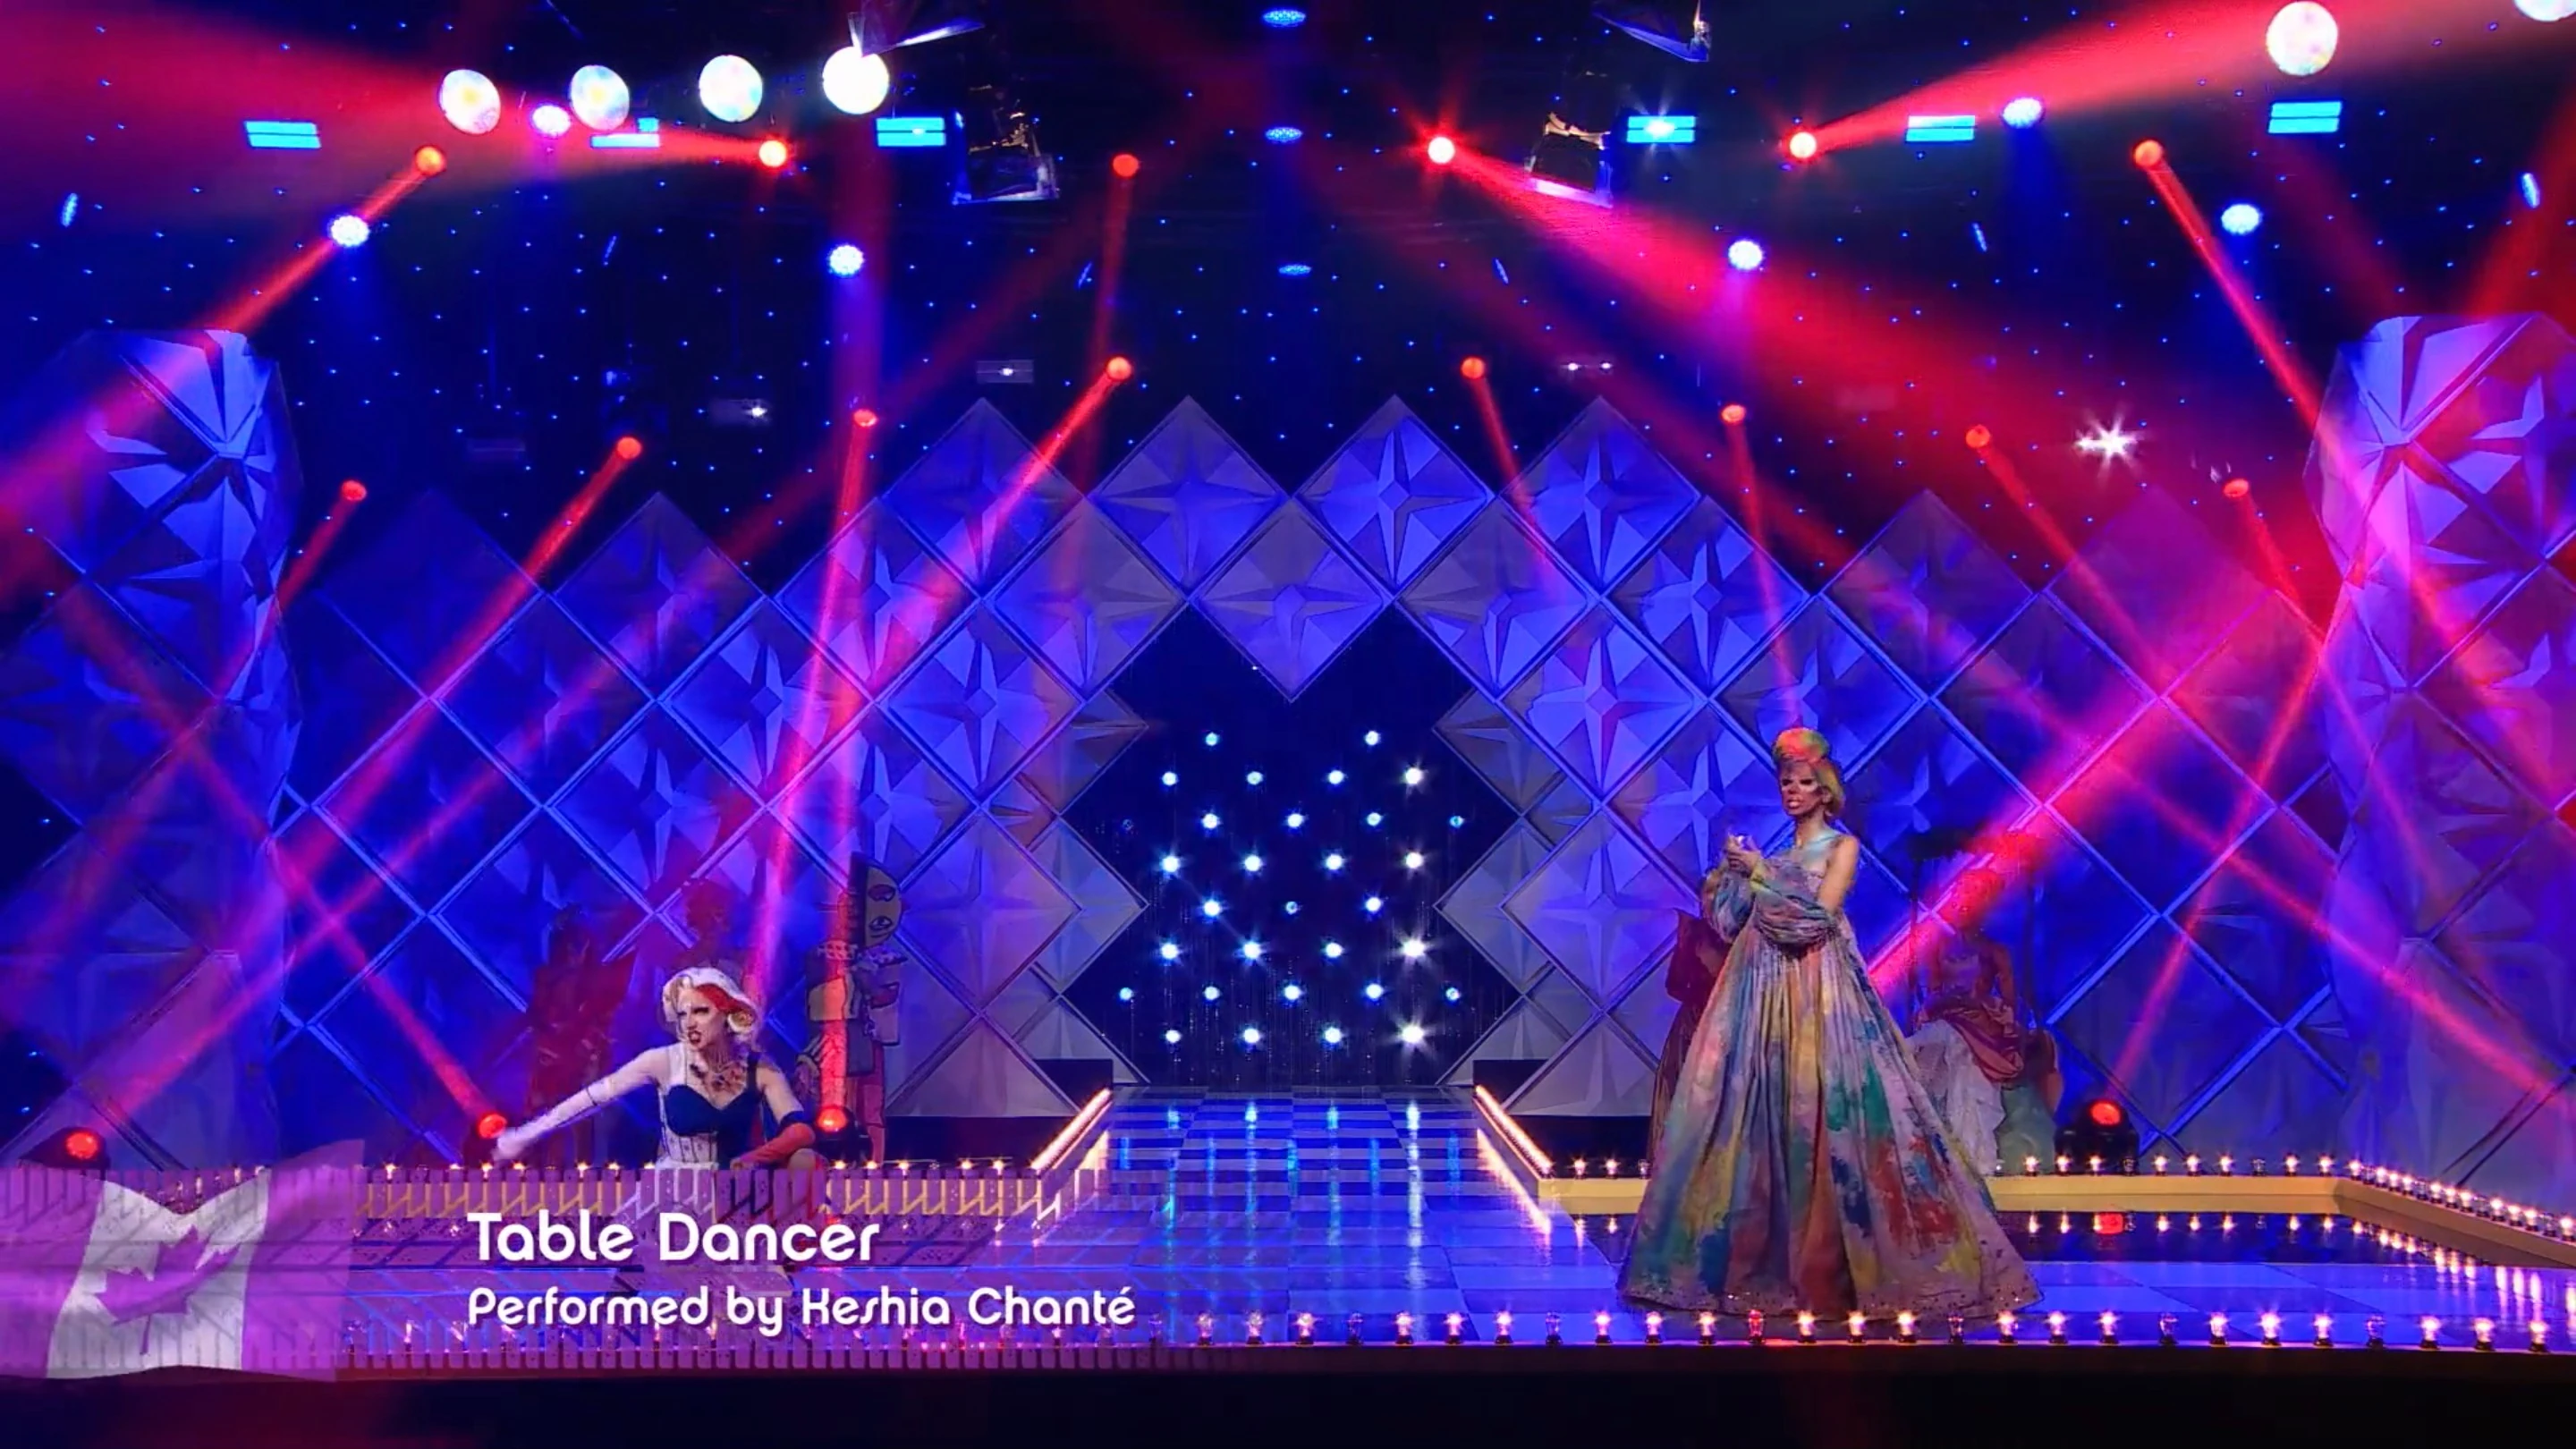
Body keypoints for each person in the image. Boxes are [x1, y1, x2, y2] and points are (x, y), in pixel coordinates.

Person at [1621, 727, 2038, 1321]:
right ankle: (1746, 1258)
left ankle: (1842, 1260)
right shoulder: (1779, 857)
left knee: (1829, 1109)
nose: (1792, 791)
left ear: (1825, 791)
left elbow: (1817, 918)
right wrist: (1733, 877)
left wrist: (1761, 874)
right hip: (1759, 995)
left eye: (1803, 783)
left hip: (1821, 995)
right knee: (1752, 1112)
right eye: (1785, 782)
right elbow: (1732, 923)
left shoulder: (1840, 848)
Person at [496, 966, 816, 1170]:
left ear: (727, 1014)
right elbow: (591, 1099)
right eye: (682, 1014)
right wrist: (525, 1135)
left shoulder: (760, 1069)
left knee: (808, 1163)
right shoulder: (662, 1061)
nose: (689, 1023)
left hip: (736, 1189)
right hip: (673, 1191)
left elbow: (801, 1131)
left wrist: (750, 1160)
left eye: (701, 1012)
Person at [1906, 868, 2065, 1176]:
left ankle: (1975, 1160)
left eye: (1973, 899)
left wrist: (2002, 1017)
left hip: (1980, 1024)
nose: (1963, 905)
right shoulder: (1938, 948)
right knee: (1938, 1046)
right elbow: (1933, 992)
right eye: (1960, 897)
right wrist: (1934, 1006)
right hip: (1948, 1016)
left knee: (1959, 1061)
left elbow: (2009, 1000)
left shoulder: (1994, 951)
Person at [521, 909, 634, 1167]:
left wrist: (586, 1045)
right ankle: (543, 1168)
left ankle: (584, 1169)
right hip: (554, 1058)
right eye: (570, 945)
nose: (575, 951)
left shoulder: (597, 982)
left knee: (584, 1118)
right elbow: (538, 1016)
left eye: (581, 944)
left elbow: (604, 1019)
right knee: (548, 1116)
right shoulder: (547, 978)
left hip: (583, 1059)